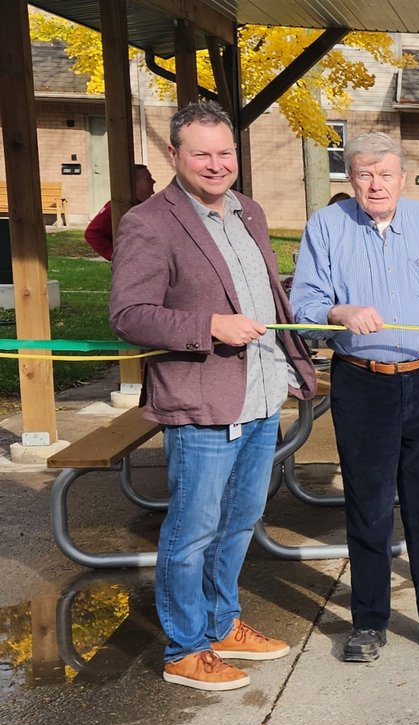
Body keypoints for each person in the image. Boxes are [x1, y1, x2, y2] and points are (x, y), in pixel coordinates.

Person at [109, 102, 317, 691]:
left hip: (259, 395)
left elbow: (269, 297)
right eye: (201, 153)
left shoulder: (247, 211)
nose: (216, 163)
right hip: (202, 401)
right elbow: (128, 315)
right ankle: (184, 648)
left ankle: (222, 623)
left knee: (241, 519)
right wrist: (210, 326)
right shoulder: (150, 222)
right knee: (192, 529)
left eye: (225, 152)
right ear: (174, 156)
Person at [290, 132, 419, 663]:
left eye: (385, 174)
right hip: (362, 381)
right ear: (350, 180)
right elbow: (303, 305)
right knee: (369, 505)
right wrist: (338, 312)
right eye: (364, 175)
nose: (376, 185)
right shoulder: (326, 228)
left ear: (403, 178)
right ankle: (369, 622)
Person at [85, 164, 156, 260]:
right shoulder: (117, 207)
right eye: (148, 179)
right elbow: (92, 233)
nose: (153, 182)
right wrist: (116, 255)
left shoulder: (148, 205)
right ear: (134, 184)